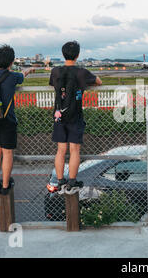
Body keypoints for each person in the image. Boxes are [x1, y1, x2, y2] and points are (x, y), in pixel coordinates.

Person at [49, 41, 102, 194]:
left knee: (61, 150)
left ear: (63, 54)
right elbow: (98, 81)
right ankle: (72, 181)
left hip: (59, 115)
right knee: (74, 149)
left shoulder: (56, 71)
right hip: (75, 115)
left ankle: (59, 180)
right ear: (78, 55)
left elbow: (54, 84)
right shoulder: (81, 72)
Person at [0, 45, 34, 195]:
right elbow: (22, 75)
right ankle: (6, 185)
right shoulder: (13, 76)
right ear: (12, 62)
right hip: (7, 120)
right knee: (7, 153)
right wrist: (28, 70)